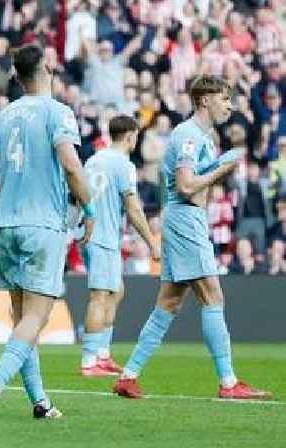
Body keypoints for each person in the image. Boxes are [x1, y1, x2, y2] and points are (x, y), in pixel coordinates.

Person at [113, 76, 272, 401]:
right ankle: (228, 383)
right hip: (185, 216)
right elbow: (186, 186)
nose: (230, 105)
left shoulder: (203, 137)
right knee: (213, 297)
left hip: (185, 217)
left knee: (169, 302)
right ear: (205, 100)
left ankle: (128, 375)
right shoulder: (188, 135)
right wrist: (220, 170)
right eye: (225, 98)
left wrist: (216, 163)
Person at [0, 44, 93, 421]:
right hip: (43, 225)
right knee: (36, 318)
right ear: (46, 68)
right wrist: (89, 208)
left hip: (8, 224)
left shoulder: (4, 115)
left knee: (23, 320)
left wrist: (9, 193)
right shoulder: (58, 112)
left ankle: (41, 403)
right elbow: (71, 165)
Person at [80, 115, 160, 377]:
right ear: (130, 136)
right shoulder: (124, 165)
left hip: (95, 233)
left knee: (116, 291)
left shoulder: (94, 160)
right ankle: (90, 360)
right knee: (101, 295)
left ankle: (102, 354)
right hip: (102, 235)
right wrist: (151, 241)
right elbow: (134, 207)